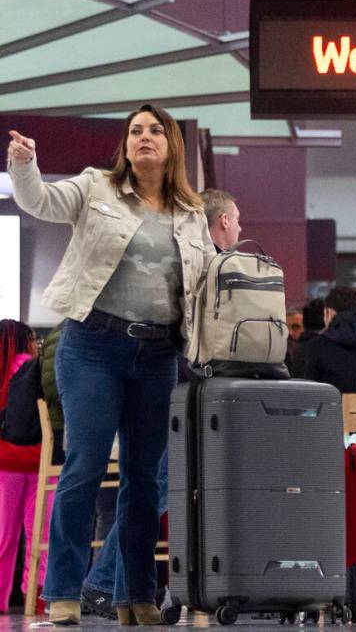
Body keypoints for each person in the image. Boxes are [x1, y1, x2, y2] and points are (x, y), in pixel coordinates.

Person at [7, 103, 215, 625]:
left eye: (154, 131)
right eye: (134, 132)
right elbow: (39, 201)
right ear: (125, 145)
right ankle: (64, 591)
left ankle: (136, 595)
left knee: (144, 478)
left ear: (171, 146)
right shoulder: (95, 186)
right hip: (92, 345)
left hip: (159, 353)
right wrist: (24, 164)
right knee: (85, 467)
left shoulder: (191, 214)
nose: (143, 138)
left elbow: (207, 283)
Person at [81, 187, 243, 618]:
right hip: (180, 392)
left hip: (169, 387)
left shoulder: (186, 261)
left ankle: (111, 586)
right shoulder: (212, 268)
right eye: (237, 220)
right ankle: (102, 584)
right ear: (223, 222)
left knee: (153, 490)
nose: (240, 228)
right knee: (154, 490)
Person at [0, 321, 49, 614]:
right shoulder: (33, 368)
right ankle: (38, 598)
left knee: (4, 537)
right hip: (39, 462)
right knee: (41, 537)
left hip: (4, 464)